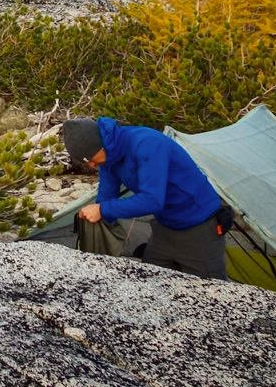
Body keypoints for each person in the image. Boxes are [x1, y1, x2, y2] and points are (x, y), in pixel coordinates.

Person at [62, 116, 229, 280]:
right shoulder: (107, 158)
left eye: (91, 159)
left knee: (208, 294)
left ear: (100, 145)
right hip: (165, 228)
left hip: (199, 228)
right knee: (149, 281)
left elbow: (152, 201)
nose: (92, 165)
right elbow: (106, 195)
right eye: (87, 162)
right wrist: (97, 220)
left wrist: (102, 210)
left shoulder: (146, 143)